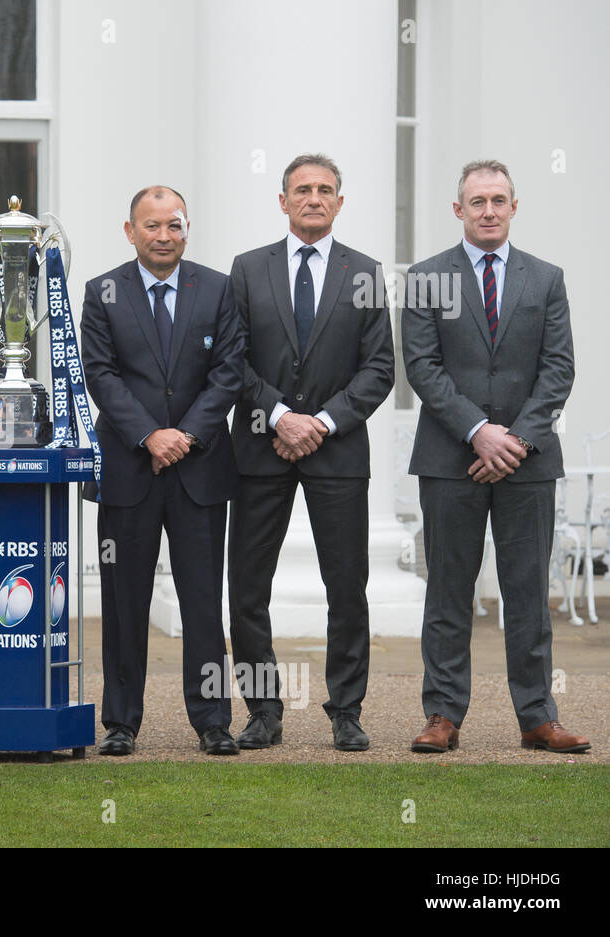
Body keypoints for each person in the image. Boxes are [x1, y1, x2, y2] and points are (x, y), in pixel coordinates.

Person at [403, 159, 589, 754]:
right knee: (448, 592)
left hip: (528, 463)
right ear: (458, 210)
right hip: (449, 458)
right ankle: (442, 716)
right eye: (477, 202)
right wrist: (480, 431)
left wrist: (515, 441)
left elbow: (559, 367)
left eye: (498, 201)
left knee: (529, 592)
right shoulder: (427, 277)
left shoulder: (547, 278)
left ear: (514, 207)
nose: (488, 211)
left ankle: (538, 717)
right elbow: (422, 367)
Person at [227, 154, 394, 752]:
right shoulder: (247, 271)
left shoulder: (366, 271)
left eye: (326, 190)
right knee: (247, 588)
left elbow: (380, 369)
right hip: (258, 447)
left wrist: (319, 423)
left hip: (337, 453)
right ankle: (263, 711)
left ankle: (346, 710)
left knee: (346, 586)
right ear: (283, 200)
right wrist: (278, 415)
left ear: (340, 203)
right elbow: (233, 360)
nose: (314, 198)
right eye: (303, 190)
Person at [80, 185, 246, 756]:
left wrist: (185, 436)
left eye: (173, 225)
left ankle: (213, 722)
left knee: (203, 600)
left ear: (186, 228)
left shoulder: (219, 289)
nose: (163, 235)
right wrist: (150, 435)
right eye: (151, 226)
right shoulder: (102, 292)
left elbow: (228, 372)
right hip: (129, 468)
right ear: (130, 231)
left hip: (199, 471)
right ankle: (122, 722)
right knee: (125, 600)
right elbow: (99, 375)